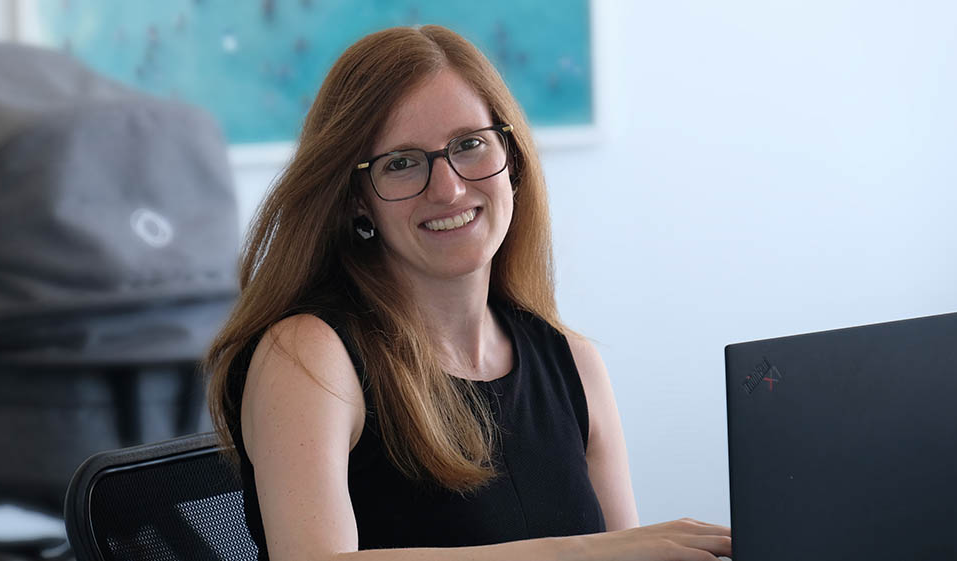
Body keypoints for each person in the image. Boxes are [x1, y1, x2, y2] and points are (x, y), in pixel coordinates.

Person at [206, 25, 732, 561]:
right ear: (357, 200)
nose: (449, 188)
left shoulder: (574, 361)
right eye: (402, 163)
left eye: (469, 145)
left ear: (513, 155)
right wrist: (577, 552)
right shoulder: (308, 355)